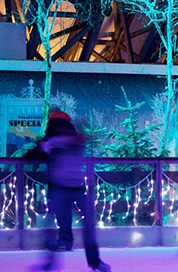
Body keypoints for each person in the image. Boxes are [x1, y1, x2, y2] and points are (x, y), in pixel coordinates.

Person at [32, 108, 111, 272]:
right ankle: (94, 262)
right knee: (87, 226)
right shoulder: (73, 139)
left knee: (53, 226)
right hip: (75, 186)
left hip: (60, 186)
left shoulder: (53, 140)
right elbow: (79, 141)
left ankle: (51, 260)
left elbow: (40, 151)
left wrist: (40, 152)